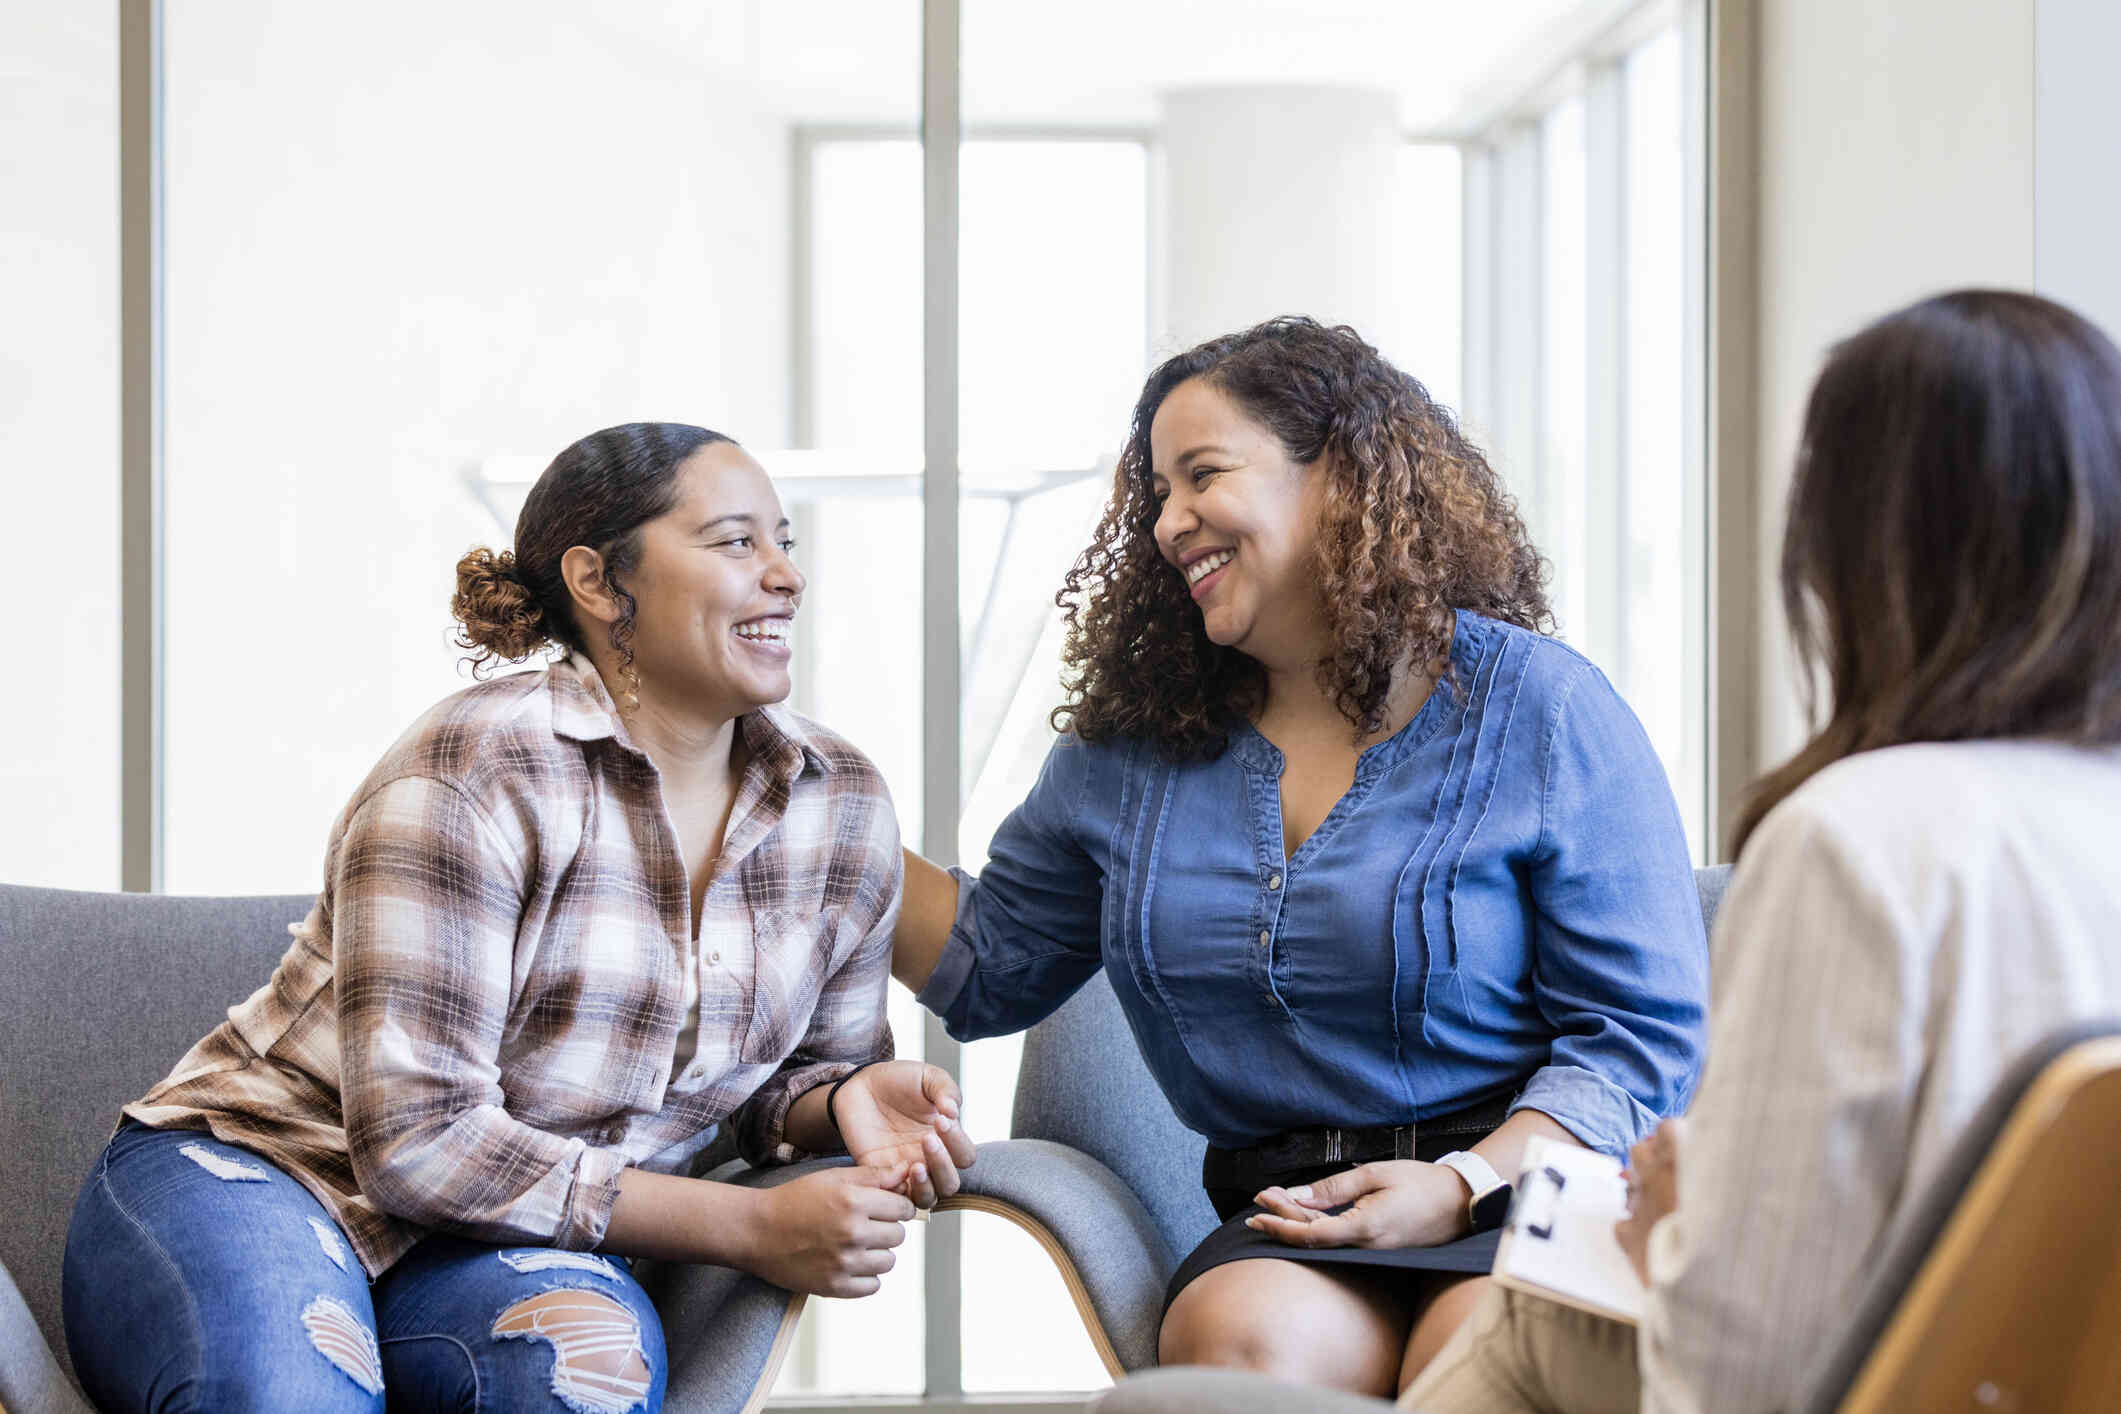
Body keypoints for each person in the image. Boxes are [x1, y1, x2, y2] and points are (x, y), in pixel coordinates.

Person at [61, 422, 977, 1414]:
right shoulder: (473, 771)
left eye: (784, 543)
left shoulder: (840, 807)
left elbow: (779, 1078)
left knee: (588, 1366)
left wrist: (835, 1102)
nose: (783, 576)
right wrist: (751, 1227)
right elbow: (420, 1145)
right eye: (732, 542)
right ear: (596, 582)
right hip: (265, 1174)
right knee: (286, 1390)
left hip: (507, 1242)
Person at [892, 318, 1709, 1399]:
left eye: (1201, 475)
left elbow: (1641, 1033)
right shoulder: (1128, 744)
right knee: (1246, 1351)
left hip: (1524, 1185)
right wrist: (814, 800)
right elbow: (990, 964)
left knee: (1485, 1355)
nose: (1166, 521)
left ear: (1342, 477)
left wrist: (1461, 1181)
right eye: (1154, 494)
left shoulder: (1543, 708)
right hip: (1290, 1215)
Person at [1400, 289, 2121, 1414]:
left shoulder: (1861, 839)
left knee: (1531, 1312)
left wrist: (1678, 1238)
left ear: (1858, 544)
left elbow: (1742, 1372)